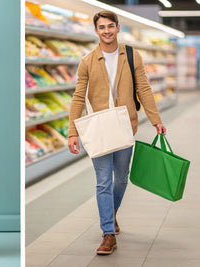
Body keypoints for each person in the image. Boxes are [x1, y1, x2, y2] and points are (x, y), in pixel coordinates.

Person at [67, 10, 166, 255]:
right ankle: (108, 233)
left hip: (125, 125)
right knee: (103, 181)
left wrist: (156, 120)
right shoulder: (88, 61)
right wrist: (72, 132)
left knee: (121, 178)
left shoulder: (132, 55)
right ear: (96, 31)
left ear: (118, 28)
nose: (107, 31)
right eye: (102, 27)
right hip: (99, 127)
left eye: (111, 26)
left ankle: (110, 212)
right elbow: (78, 96)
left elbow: (143, 87)